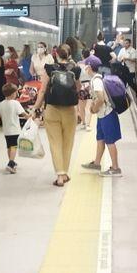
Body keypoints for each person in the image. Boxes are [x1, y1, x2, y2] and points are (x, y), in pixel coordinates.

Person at [34, 44, 80, 187]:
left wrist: (35, 108)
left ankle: (60, 175)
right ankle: (65, 173)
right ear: (70, 55)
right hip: (70, 111)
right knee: (68, 143)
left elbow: (42, 91)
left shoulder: (49, 68)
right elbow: (77, 89)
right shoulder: (76, 69)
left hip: (52, 109)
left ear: (56, 55)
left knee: (55, 143)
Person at [80, 57, 122, 177]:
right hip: (102, 115)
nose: (84, 68)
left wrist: (94, 108)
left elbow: (101, 98)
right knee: (101, 139)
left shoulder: (96, 81)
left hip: (106, 114)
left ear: (89, 67)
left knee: (110, 141)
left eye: (85, 66)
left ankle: (115, 168)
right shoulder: (96, 78)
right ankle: (97, 163)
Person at [0, 83, 27, 174]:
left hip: (6, 131)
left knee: (9, 147)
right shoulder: (16, 103)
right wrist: (31, 118)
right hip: (15, 130)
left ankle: (11, 162)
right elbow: (23, 114)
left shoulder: (1, 104)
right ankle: (11, 163)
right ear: (13, 93)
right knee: (14, 146)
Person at [77, 48, 94, 130]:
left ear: (82, 55)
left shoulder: (79, 64)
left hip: (81, 85)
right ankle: (88, 125)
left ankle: (83, 123)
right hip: (90, 85)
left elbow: (77, 76)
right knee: (88, 107)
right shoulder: (91, 65)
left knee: (81, 107)